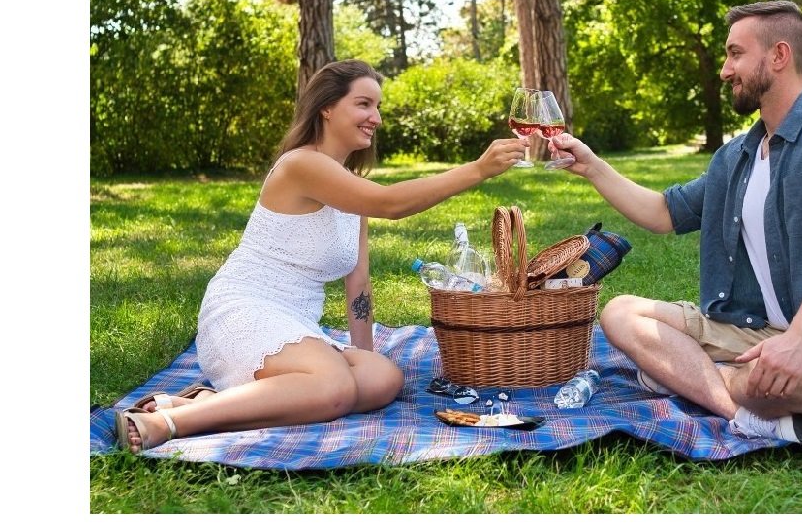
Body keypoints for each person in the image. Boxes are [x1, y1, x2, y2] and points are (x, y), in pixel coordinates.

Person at [115, 59, 530, 453]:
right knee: (335, 387)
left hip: (295, 323)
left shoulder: (350, 186)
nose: (376, 117)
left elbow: (358, 284)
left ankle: (205, 402)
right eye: (363, 104)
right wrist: (477, 170)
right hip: (244, 309)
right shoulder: (301, 164)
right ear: (327, 108)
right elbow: (390, 203)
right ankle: (168, 422)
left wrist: (364, 354)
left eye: (378, 107)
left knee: (382, 378)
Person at [552, 0, 802, 444]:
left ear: (779, 56)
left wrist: (800, 339)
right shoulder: (735, 156)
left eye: (735, 54)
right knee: (621, 313)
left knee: (788, 379)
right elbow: (664, 213)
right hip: (755, 331)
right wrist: (591, 166)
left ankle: (684, 376)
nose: (725, 70)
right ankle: (740, 412)